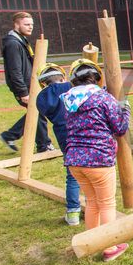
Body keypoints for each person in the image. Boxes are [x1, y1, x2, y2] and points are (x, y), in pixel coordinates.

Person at [62, 59, 130, 262]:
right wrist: (124, 110)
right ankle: (110, 247)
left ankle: (90, 243)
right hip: (98, 158)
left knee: (92, 202)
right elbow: (120, 128)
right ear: (97, 78)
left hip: (74, 159)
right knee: (107, 203)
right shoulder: (103, 98)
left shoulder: (67, 100)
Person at [0, 12, 53, 153]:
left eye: (32, 25)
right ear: (17, 24)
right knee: (37, 111)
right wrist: (22, 92)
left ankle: (10, 135)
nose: (30, 27)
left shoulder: (21, 40)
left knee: (36, 111)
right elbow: (14, 70)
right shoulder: (12, 44)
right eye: (26, 24)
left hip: (31, 84)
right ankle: (44, 145)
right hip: (24, 87)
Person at [35, 63, 81, 226]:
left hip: (62, 135)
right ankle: (95, 206)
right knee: (92, 170)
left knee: (72, 173)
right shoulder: (71, 87)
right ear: (63, 77)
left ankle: (73, 212)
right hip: (81, 130)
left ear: (43, 83)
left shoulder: (41, 98)